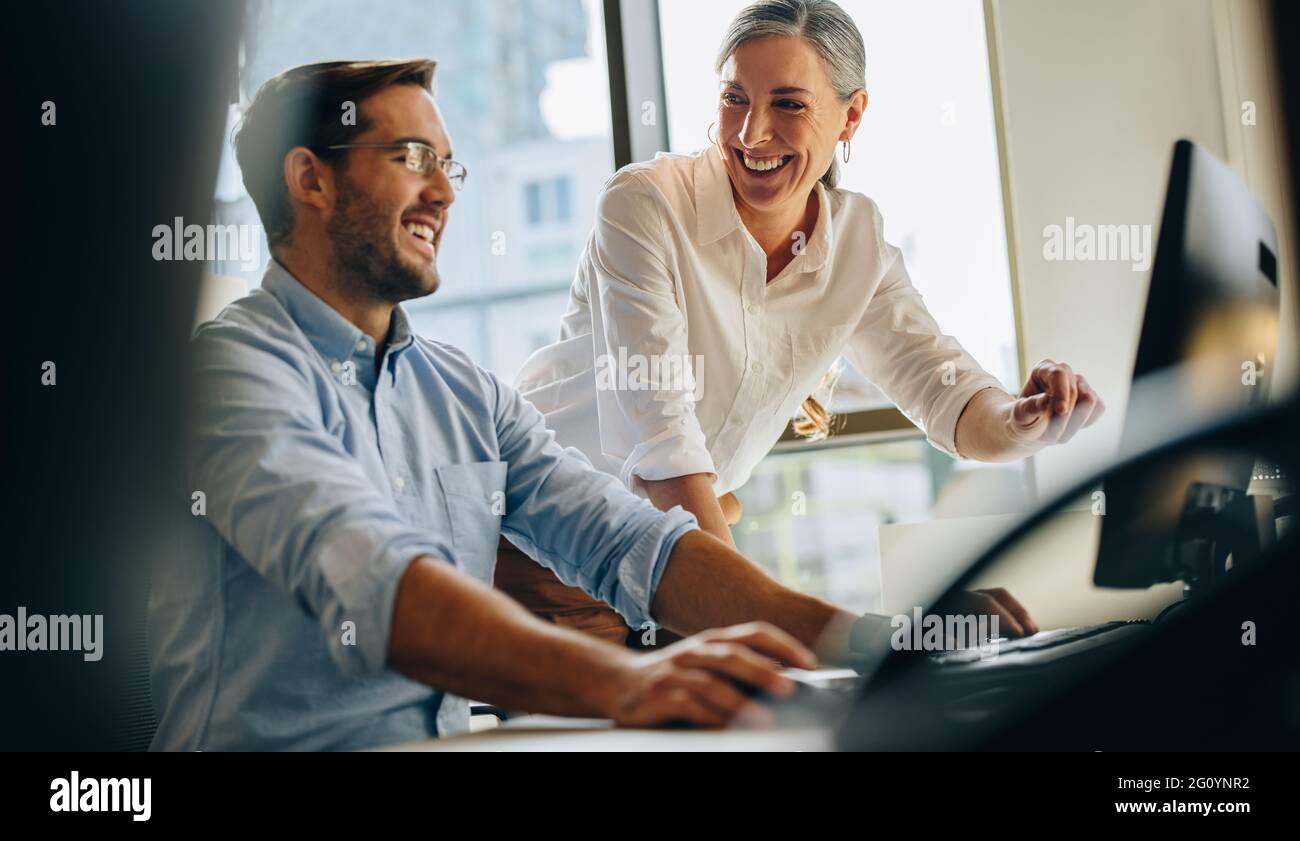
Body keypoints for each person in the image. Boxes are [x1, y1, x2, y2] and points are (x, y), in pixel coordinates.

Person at [149, 57, 959, 752]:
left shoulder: (466, 393)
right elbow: (372, 577)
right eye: (412, 157)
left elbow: (633, 542)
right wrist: (627, 681)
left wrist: (875, 638)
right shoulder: (229, 375)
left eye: (449, 165)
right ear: (309, 178)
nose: (444, 192)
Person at [504, 0, 1099, 644]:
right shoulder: (645, 205)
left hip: (674, 560)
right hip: (537, 556)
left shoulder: (855, 242)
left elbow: (947, 394)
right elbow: (665, 451)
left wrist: (1027, 420)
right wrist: (894, 638)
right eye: (735, 98)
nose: (751, 134)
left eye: (788, 104)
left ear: (852, 115)